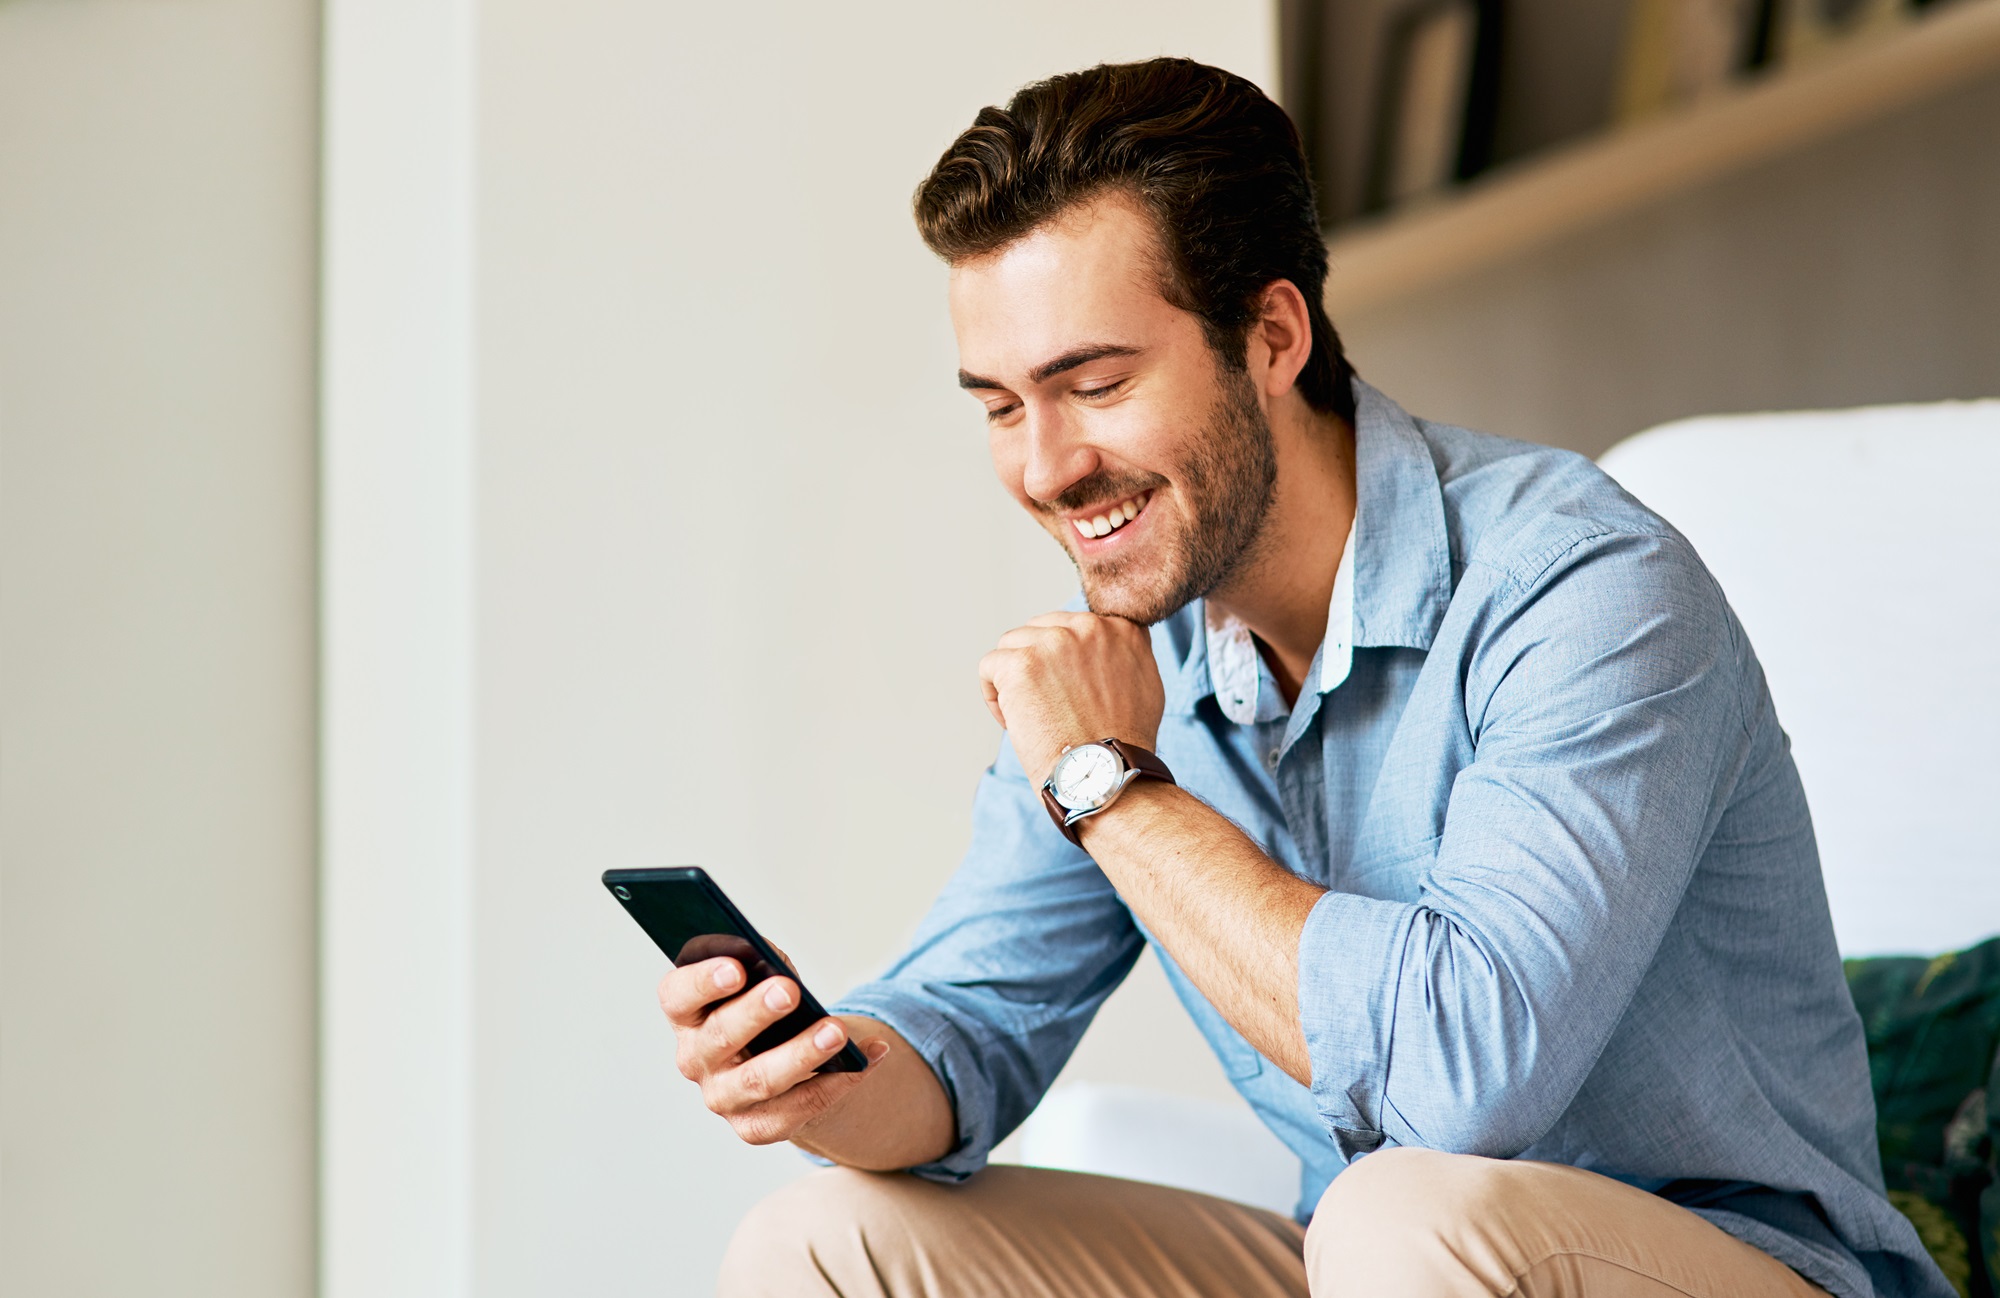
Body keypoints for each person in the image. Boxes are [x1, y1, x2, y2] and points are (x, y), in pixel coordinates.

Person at [660, 58, 1951, 1298]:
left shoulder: (1582, 584)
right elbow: (969, 1024)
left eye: (1093, 383)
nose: (1046, 466)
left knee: (1401, 1212)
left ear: (1272, 334)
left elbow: (1462, 1079)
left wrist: (1110, 784)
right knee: (819, 1244)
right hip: (1375, 1263)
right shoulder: (1131, 653)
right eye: (1001, 406)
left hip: (1722, 1264)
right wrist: (822, 1074)